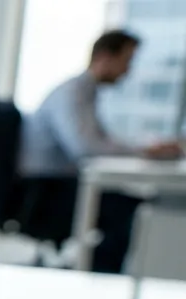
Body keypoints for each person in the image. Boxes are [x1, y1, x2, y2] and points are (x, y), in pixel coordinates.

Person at [20, 29, 182, 273]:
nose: (128, 71)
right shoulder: (72, 93)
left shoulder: (87, 94)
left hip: (59, 184)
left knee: (128, 204)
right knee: (126, 209)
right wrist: (144, 151)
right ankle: (97, 278)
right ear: (105, 57)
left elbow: (100, 141)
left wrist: (144, 148)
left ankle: (95, 273)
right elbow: (86, 147)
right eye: (126, 61)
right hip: (45, 191)